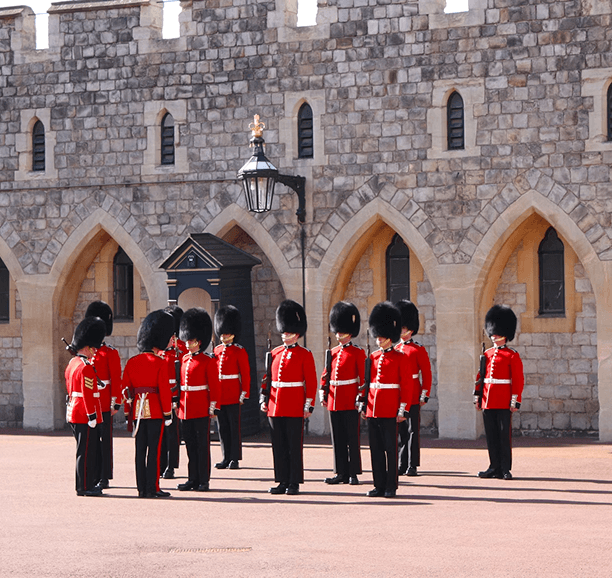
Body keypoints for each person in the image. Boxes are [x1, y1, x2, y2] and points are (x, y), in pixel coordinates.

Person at [260, 299, 317, 496]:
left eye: (289, 332)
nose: (285, 335)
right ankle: (282, 480)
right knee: (279, 446)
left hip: (294, 406)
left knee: (294, 446)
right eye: (284, 332)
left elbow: (311, 382)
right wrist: (263, 399)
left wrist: (308, 405)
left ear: (297, 333)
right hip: (275, 406)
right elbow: (267, 379)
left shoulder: (304, 354)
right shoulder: (275, 353)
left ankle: (294, 482)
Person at [362, 301, 412, 498]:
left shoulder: (401, 358)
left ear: (390, 337)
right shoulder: (372, 358)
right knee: (375, 450)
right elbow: (367, 384)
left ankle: (391, 485)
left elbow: (406, 386)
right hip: (373, 409)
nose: (379, 339)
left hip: (391, 409)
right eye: (378, 336)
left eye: (382, 336)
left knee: (391, 449)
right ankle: (379, 484)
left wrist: (402, 410)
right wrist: (365, 405)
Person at [123, 310, 174, 498]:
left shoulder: (131, 362)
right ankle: (153, 487)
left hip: (137, 412)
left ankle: (141, 488)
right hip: (155, 411)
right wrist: (168, 414)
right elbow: (164, 391)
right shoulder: (159, 363)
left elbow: (126, 392)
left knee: (139, 452)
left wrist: (128, 414)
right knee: (154, 451)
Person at [474, 304, 524, 480]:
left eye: (496, 331)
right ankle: (493, 466)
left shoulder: (512, 355)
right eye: (492, 331)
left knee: (504, 436)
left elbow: (517, 380)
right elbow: (481, 377)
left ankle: (504, 468)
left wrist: (515, 400)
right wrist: (477, 397)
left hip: (503, 401)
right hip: (488, 400)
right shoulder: (487, 354)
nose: (493, 335)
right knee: (491, 436)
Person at [320, 301, 364, 486]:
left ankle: (353, 472)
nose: (339, 335)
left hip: (349, 400)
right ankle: (341, 472)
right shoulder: (332, 352)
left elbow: (363, 380)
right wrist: (323, 392)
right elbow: (326, 375)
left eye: (342, 331)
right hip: (334, 400)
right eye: (337, 331)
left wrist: (360, 399)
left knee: (352, 438)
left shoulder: (357, 353)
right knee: (337, 439)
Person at [176, 307, 220, 492]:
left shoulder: (208, 361)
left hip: (201, 408)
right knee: (190, 447)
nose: (188, 343)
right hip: (185, 409)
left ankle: (204, 480)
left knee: (202, 447)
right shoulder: (184, 359)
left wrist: (213, 407)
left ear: (199, 341)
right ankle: (192, 478)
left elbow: (214, 386)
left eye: (191, 340)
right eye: (187, 340)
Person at [65, 316, 106, 497]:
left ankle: (84, 484)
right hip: (84, 414)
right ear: (87, 347)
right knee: (87, 452)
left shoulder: (73, 364)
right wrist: (92, 416)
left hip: (74, 411)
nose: (95, 352)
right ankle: (85, 486)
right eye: (93, 349)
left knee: (83, 451)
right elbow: (87, 394)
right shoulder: (86, 367)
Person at [84, 301, 122, 490]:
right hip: (90, 403)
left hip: (105, 402)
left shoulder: (109, 353)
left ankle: (104, 475)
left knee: (104, 441)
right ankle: (92, 473)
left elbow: (116, 379)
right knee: (91, 442)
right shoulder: (86, 353)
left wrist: (116, 403)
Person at [394, 300, 432, 477]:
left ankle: (412, 464)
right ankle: (402, 463)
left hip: (414, 395)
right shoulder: (395, 349)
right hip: (399, 395)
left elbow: (427, 373)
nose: (401, 330)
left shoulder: (418, 349)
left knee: (412, 430)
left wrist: (425, 394)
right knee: (401, 431)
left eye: (403, 327)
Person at [213, 305, 250, 470]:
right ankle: (225, 456)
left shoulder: (239, 351)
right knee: (222, 428)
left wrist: (244, 393)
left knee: (234, 427)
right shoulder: (217, 350)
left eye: (227, 332)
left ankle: (235, 458)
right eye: (222, 332)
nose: (224, 335)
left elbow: (245, 374)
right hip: (220, 394)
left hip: (233, 393)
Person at [159, 305, 187, 480]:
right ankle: (161, 464)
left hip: (176, 396)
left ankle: (171, 466)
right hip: (161, 395)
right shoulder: (161, 348)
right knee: (161, 431)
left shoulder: (182, 349)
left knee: (173, 433)